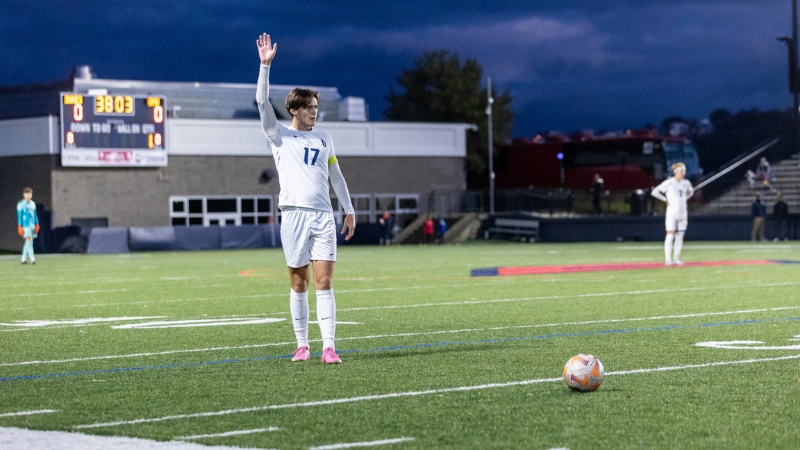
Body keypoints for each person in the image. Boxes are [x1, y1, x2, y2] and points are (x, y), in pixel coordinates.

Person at [256, 33, 355, 364]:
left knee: (324, 281)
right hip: (294, 216)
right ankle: (302, 344)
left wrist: (349, 209)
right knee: (299, 283)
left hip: (323, 217)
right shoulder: (279, 135)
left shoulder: (326, 138)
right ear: (294, 109)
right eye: (310, 108)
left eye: (316, 107)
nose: (315, 112)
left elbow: (336, 176)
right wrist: (264, 67)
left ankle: (329, 347)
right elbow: (260, 103)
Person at [651, 162, 694, 266]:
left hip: (683, 213)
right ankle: (668, 259)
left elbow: (691, 192)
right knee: (670, 236)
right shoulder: (669, 182)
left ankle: (676, 258)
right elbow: (655, 192)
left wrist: (685, 198)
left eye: (684, 171)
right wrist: (665, 199)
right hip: (672, 213)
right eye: (681, 171)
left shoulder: (686, 183)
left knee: (680, 236)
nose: (683, 173)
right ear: (676, 172)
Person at [17, 187, 40, 265]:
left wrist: (37, 224)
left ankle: (23, 259)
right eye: (27, 194)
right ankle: (32, 258)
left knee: (29, 242)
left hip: (32, 225)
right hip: (25, 225)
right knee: (29, 240)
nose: (29, 195)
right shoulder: (21, 204)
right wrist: (19, 226)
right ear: (24, 195)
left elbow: (35, 215)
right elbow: (19, 216)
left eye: (30, 194)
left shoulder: (33, 204)